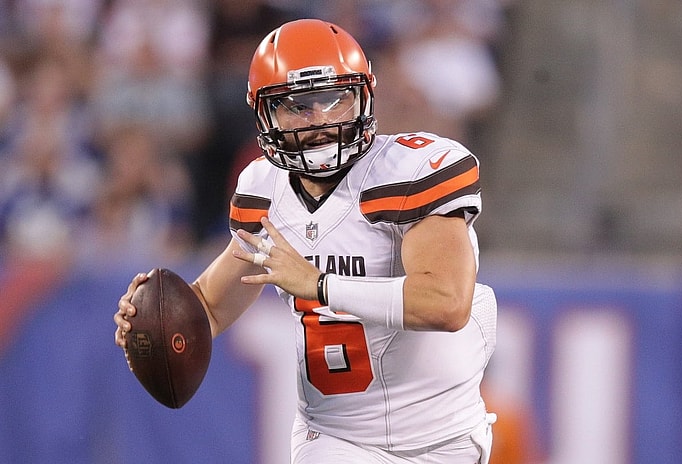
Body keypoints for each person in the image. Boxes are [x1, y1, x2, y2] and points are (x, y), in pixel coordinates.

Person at [114, 18, 497, 464]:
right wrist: (152, 321)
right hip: (335, 437)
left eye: (333, 99)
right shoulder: (265, 190)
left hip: (444, 438)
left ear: (363, 96)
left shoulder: (411, 171)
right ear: (265, 114)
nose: (318, 121)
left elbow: (446, 304)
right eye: (296, 106)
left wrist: (319, 284)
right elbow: (210, 308)